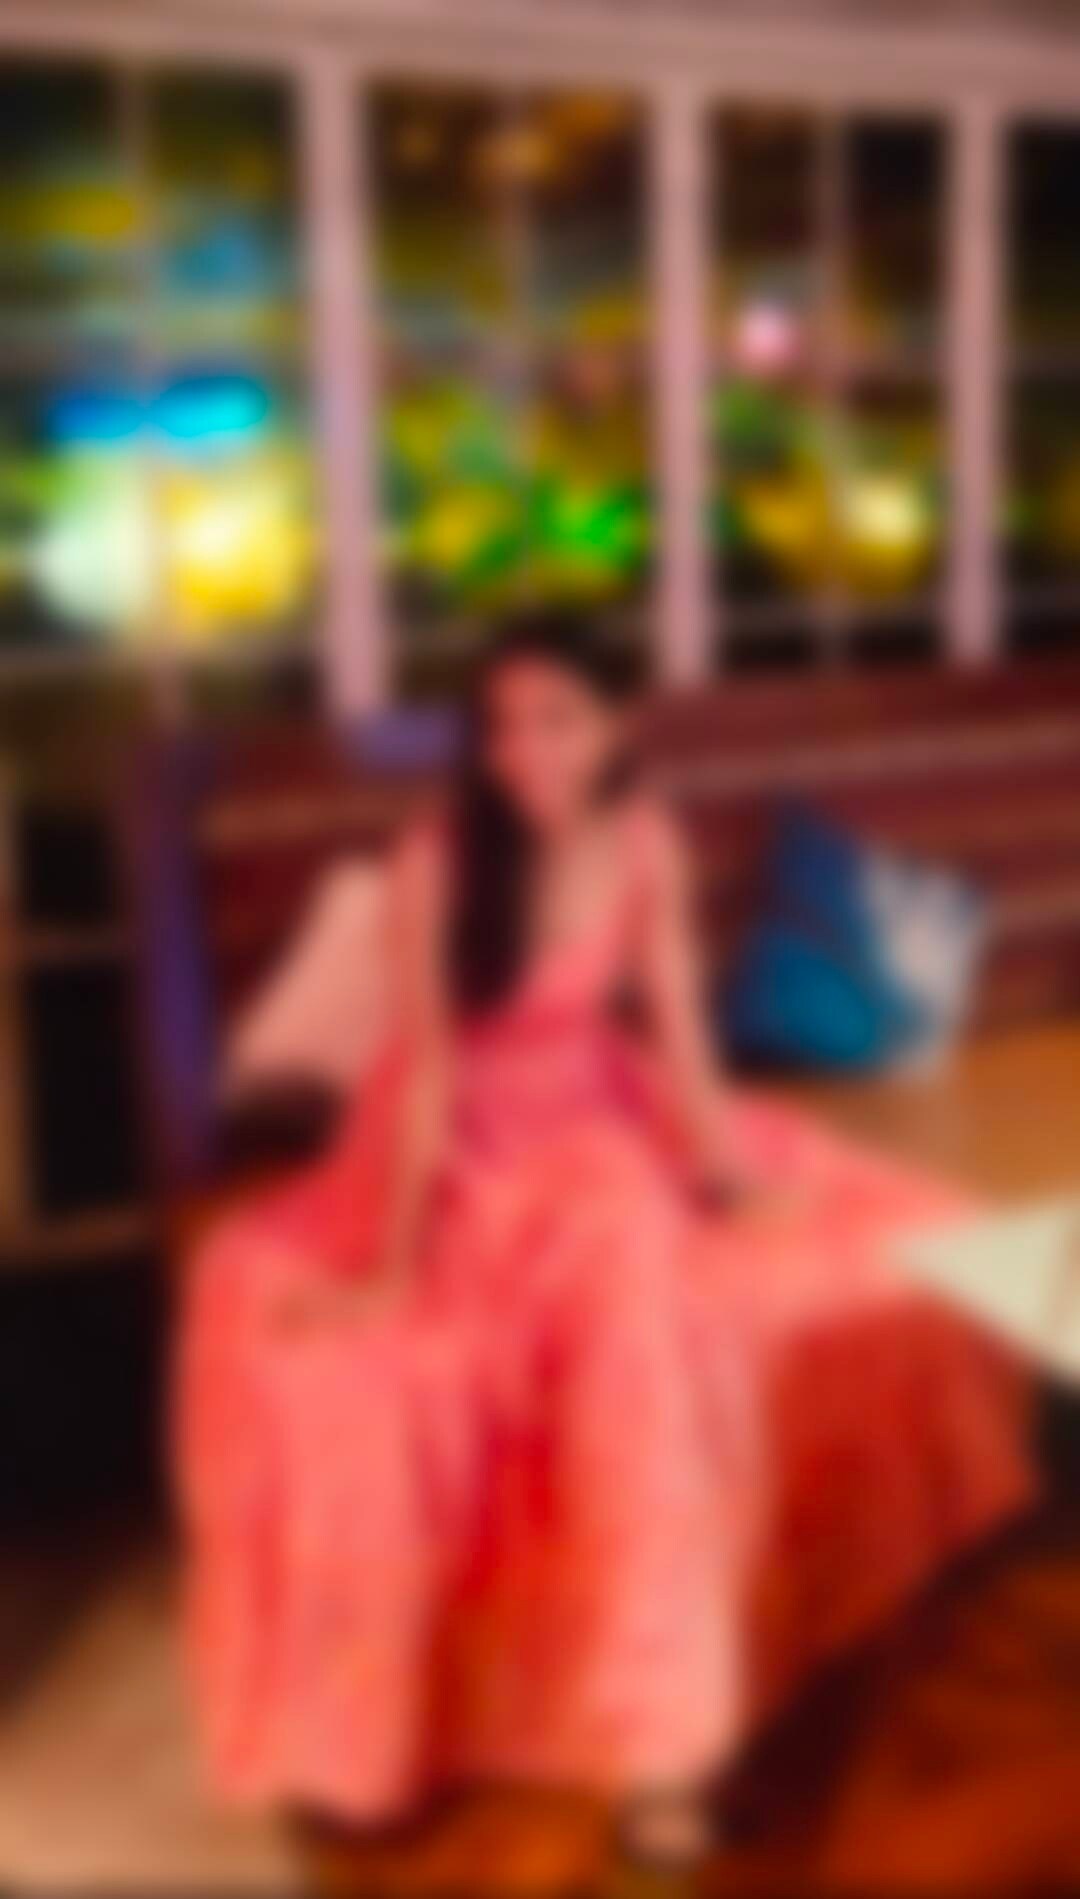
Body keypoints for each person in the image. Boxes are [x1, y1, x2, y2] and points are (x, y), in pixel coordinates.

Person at [177, 615, 1032, 1868]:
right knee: (615, 1300)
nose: (523, 751)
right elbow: (423, 1076)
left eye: (557, 721)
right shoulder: (439, 858)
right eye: (502, 725)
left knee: (892, 1233)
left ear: (620, 726)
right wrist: (389, 1271)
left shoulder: (641, 840)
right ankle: (659, 1750)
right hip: (465, 1144)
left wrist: (729, 1178)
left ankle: (686, 1701)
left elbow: (679, 1029)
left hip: (602, 1111)